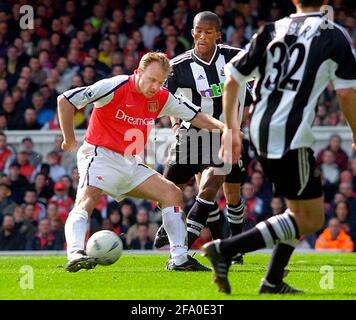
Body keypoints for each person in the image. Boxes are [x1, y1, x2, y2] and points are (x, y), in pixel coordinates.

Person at [203, 0, 356, 294]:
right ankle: (225, 248)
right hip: (291, 134)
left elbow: (233, 74)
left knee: (296, 211)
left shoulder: (272, 29)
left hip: (261, 128)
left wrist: (232, 131)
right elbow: (347, 94)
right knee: (310, 218)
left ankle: (272, 280)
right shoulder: (332, 33)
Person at [57, 52, 224, 272]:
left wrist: (226, 129)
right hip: (100, 155)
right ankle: (76, 253)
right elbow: (66, 100)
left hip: (130, 163)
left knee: (172, 194)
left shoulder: (162, 97)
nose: (155, 86)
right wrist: (69, 139)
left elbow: (196, 116)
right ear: (139, 71)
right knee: (88, 199)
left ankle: (179, 259)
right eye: (152, 79)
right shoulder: (115, 86)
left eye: (161, 82)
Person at [153, 11, 252, 265]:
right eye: (199, 31)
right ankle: (187, 234)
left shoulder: (236, 58)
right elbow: (168, 102)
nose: (203, 36)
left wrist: (239, 125)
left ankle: (223, 246)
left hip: (225, 134)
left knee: (227, 191)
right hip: (191, 134)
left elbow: (251, 98)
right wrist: (176, 127)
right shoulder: (177, 66)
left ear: (218, 35)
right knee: (166, 192)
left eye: (209, 32)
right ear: (193, 32)